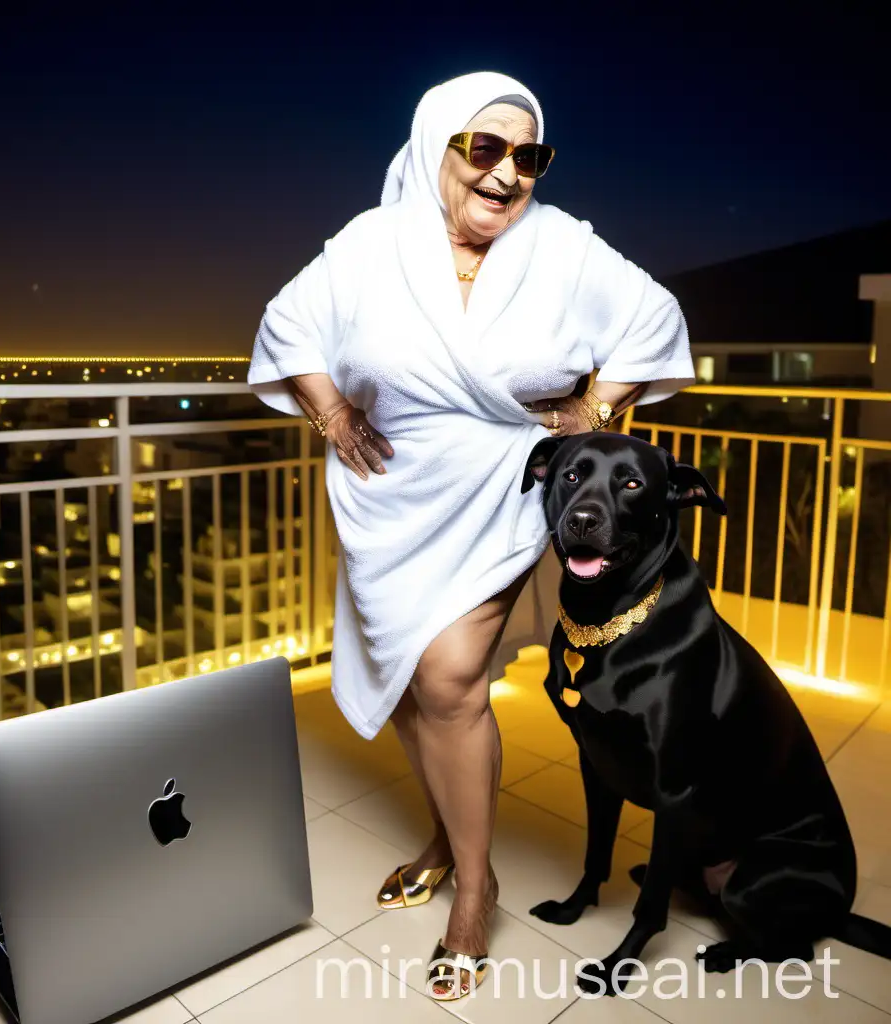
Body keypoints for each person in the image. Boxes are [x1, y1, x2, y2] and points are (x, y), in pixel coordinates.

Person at [248, 71, 694, 1000]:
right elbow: (286, 323)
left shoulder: (563, 247)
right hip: (388, 498)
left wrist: (597, 406)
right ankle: (450, 837)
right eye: (483, 149)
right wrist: (331, 412)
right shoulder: (372, 242)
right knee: (416, 679)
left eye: (528, 156)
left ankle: (474, 891)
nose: (507, 174)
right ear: (435, 147)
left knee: (449, 677)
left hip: (496, 485)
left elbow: (655, 316)